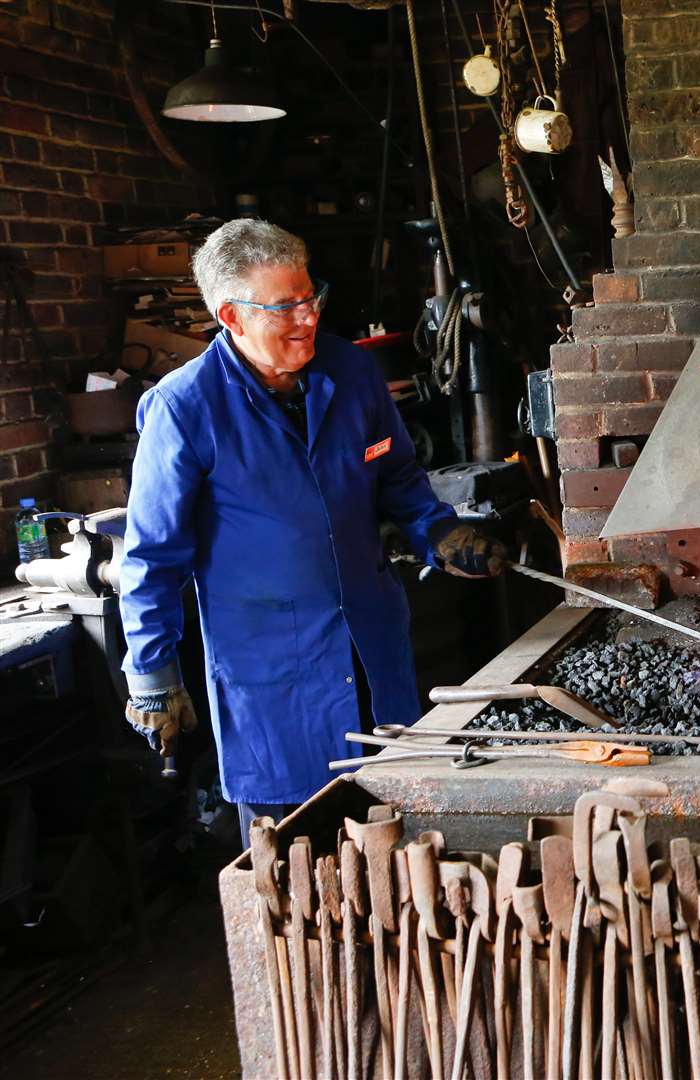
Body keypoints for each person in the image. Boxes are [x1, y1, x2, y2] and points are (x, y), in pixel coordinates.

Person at [118, 219, 504, 846]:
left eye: (309, 297)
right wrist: (153, 677)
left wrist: (440, 533)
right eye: (284, 307)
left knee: (402, 840)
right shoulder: (184, 409)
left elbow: (396, 473)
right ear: (231, 317)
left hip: (370, 642)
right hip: (273, 672)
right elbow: (152, 557)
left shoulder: (350, 372)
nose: (307, 318)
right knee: (296, 864)